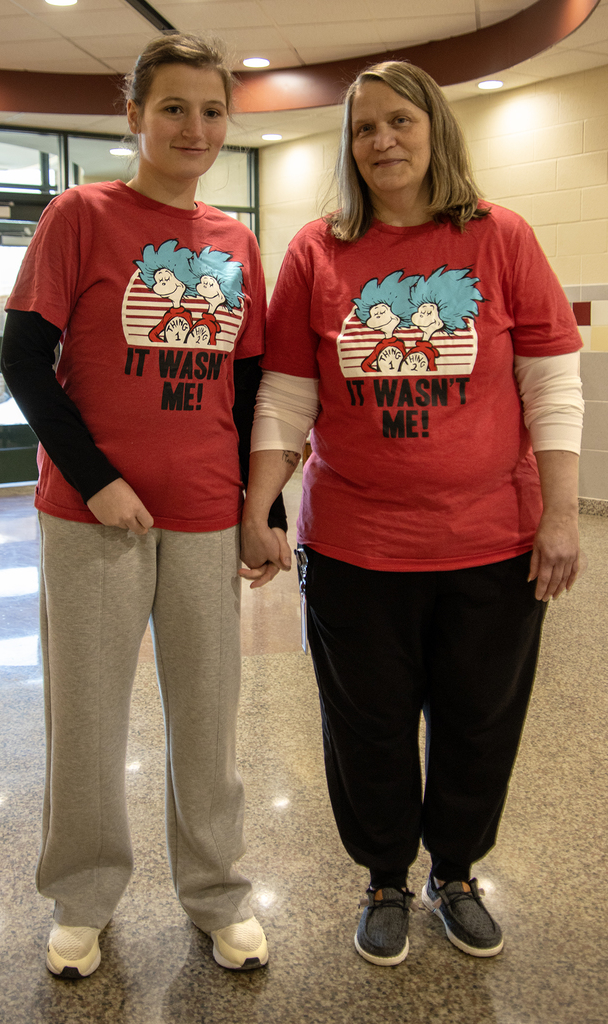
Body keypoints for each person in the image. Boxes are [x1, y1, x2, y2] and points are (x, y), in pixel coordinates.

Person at [240, 60, 584, 966]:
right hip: (355, 547)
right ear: (348, 146)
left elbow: (550, 386)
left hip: (490, 542)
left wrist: (560, 514)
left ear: (435, 129)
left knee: (479, 719)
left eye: (399, 122)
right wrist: (258, 504)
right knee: (368, 725)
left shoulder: (499, 237)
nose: (382, 141)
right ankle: (386, 874)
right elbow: (283, 394)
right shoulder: (318, 249)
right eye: (363, 129)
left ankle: (457, 872)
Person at [1, 33, 285, 978]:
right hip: (91, 518)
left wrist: (264, 511)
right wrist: (97, 477)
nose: (194, 127)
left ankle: (215, 893)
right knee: (86, 717)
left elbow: (247, 390)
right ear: (133, 115)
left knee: (209, 717)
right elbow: (22, 363)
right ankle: (82, 898)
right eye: (172, 107)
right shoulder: (79, 214)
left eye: (211, 111)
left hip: (205, 511)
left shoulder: (235, 238)